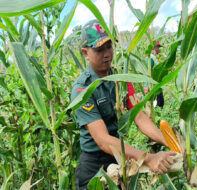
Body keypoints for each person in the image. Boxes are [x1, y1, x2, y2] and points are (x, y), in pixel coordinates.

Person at [71, 19, 176, 190]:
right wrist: (149, 158)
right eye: (99, 49)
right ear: (85, 52)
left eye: (109, 46)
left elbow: (140, 117)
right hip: (94, 166)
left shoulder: (121, 78)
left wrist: (169, 141)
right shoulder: (81, 90)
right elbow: (103, 141)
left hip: (120, 157)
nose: (107, 54)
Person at [144, 40, 164, 108]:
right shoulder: (151, 58)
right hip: (153, 85)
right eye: (158, 47)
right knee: (158, 103)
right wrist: (146, 85)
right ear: (154, 48)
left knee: (160, 102)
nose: (159, 49)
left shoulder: (153, 57)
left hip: (156, 84)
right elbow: (147, 72)